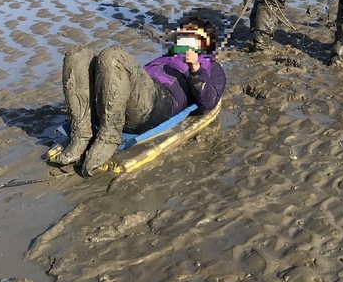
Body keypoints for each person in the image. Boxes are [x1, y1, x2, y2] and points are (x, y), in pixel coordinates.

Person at [52, 17, 227, 175]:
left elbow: (210, 101)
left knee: (114, 57)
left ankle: (109, 137)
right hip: (129, 96)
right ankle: (81, 134)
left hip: (159, 102)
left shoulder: (212, 68)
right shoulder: (165, 57)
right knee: (78, 55)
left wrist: (196, 68)